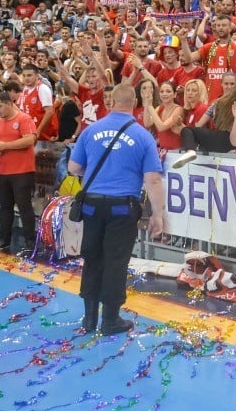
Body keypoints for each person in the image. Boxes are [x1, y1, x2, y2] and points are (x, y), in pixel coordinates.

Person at [69, 84, 166, 335]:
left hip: (91, 204)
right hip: (122, 207)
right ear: (134, 102)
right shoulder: (143, 136)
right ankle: (110, 320)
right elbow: (153, 179)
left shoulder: (91, 130)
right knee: (115, 261)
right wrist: (157, 215)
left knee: (92, 258)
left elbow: (73, 168)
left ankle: (89, 319)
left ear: (111, 101)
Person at [0, 90, 38, 255]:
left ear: (9, 103)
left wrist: (5, 146)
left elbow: (30, 139)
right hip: (3, 171)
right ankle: (4, 240)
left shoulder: (24, 119)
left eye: (0, 106)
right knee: (5, 208)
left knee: (24, 208)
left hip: (22, 171)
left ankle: (30, 243)